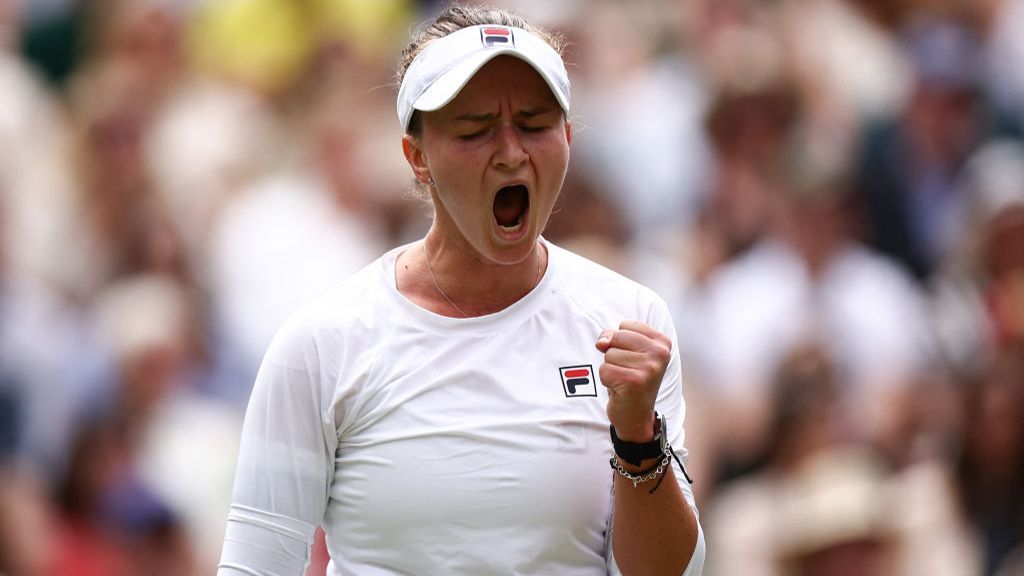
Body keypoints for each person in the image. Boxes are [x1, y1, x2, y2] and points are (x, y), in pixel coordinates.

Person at [217, 4, 705, 575]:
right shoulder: (323, 342)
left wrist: (638, 436)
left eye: (534, 124)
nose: (511, 152)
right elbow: (257, 565)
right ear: (416, 156)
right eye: (475, 130)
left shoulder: (630, 319)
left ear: (569, 136)